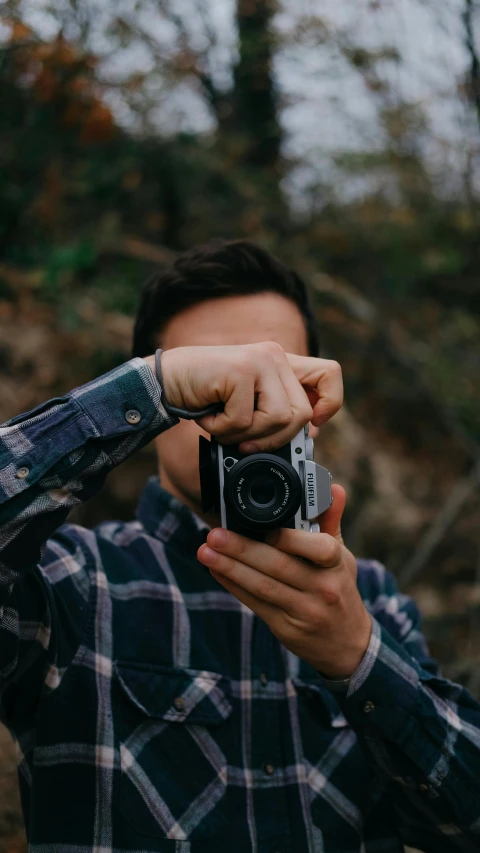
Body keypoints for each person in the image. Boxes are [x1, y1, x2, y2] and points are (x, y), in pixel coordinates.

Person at [0, 239, 479, 853]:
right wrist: (154, 386)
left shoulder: (371, 598)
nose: (251, 411)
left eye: (280, 379)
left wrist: (359, 658)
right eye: (217, 384)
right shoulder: (73, 580)